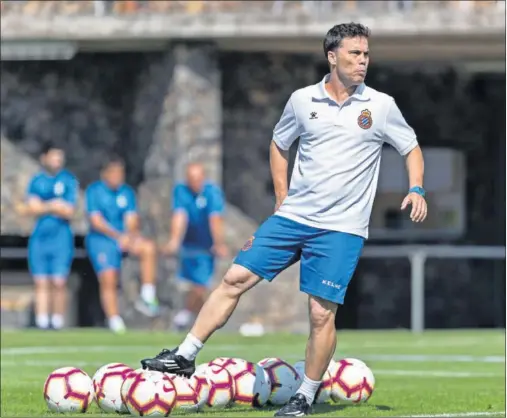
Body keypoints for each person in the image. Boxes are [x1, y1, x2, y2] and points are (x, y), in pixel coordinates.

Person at [140, 22, 427, 416]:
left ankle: (304, 396)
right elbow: (279, 143)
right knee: (234, 279)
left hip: (341, 229)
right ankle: (185, 355)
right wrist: (281, 195)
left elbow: (411, 148)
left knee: (320, 312)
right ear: (332, 56)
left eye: (365, 54)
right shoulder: (301, 100)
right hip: (293, 218)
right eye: (354, 54)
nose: (363, 61)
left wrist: (416, 188)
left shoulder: (380, 106)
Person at [85, 156, 160, 334]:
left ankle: (147, 294)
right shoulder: (95, 191)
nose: (118, 177)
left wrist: (128, 236)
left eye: (121, 173)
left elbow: (131, 219)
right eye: (114, 173)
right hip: (102, 239)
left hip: (123, 237)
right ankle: (114, 320)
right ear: (105, 174)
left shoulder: (126, 192)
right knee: (109, 279)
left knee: (147, 247)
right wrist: (118, 236)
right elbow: (96, 221)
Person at [161, 163, 228, 331]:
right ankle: (203, 323)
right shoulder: (181, 191)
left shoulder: (212, 192)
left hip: (206, 246)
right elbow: (179, 216)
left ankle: (186, 316)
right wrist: (174, 241)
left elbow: (215, 219)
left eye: (198, 179)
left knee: (201, 285)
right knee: (198, 286)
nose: (195, 183)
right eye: (191, 179)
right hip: (188, 245)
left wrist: (218, 243)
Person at [19, 143, 78, 330]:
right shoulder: (37, 181)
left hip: (61, 238)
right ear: (44, 158)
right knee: (41, 281)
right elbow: (31, 207)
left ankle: (58, 321)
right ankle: (42, 322)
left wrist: (44, 206)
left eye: (60, 157)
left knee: (59, 282)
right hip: (40, 238)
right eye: (54, 157)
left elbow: (69, 210)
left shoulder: (68, 180)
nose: (57, 161)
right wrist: (53, 205)